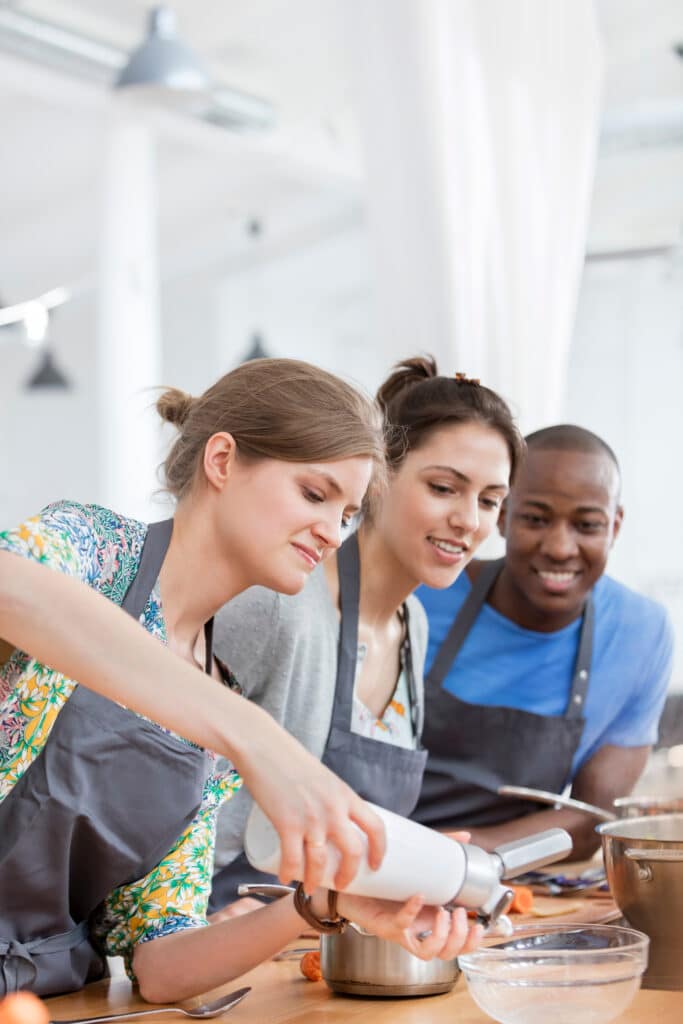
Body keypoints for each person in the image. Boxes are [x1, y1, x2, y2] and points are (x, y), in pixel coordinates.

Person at [0, 358, 481, 1002]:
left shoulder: (217, 698)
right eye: (315, 494)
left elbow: (163, 960)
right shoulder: (97, 552)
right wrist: (258, 739)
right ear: (222, 461)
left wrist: (318, 906)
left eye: (347, 514)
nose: (333, 534)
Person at [209, 358, 524, 914]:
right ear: (378, 476)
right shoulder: (281, 604)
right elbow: (160, 798)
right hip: (214, 930)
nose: (469, 520)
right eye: (444, 487)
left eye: (490, 500)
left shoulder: (414, 627)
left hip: (325, 933)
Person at [414, 424, 674, 860]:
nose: (558, 547)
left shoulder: (639, 633)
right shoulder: (420, 596)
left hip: (506, 875)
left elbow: (593, 819)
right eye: (535, 518)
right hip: (368, 861)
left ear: (615, 525)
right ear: (501, 515)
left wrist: (452, 859)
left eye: (587, 525)